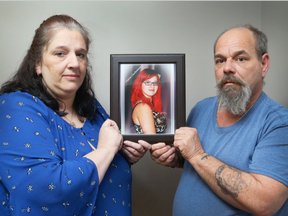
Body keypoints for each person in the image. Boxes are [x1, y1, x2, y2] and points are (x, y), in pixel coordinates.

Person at [0, 14, 150, 216]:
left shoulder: (93, 109)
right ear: (37, 64)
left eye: (80, 54)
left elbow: (106, 164)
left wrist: (126, 154)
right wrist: (107, 149)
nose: (74, 63)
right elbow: (44, 191)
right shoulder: (16, 107)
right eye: (60, 53)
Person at [150, 24, 288, 215]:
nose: (227, 68)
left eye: (240, 58)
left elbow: (265, 203)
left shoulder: (279, 123)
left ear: (263, 64)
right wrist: (174, 158)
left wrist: (196, 154)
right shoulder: (201, 108)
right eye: (220, 60)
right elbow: (192, 159)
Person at [130, 68, 167, 134]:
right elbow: (152, 140)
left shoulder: (148, 104)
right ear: (140, 84)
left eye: (155, 83)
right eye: (147, 82)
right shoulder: (143, 107)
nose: (152, 86)